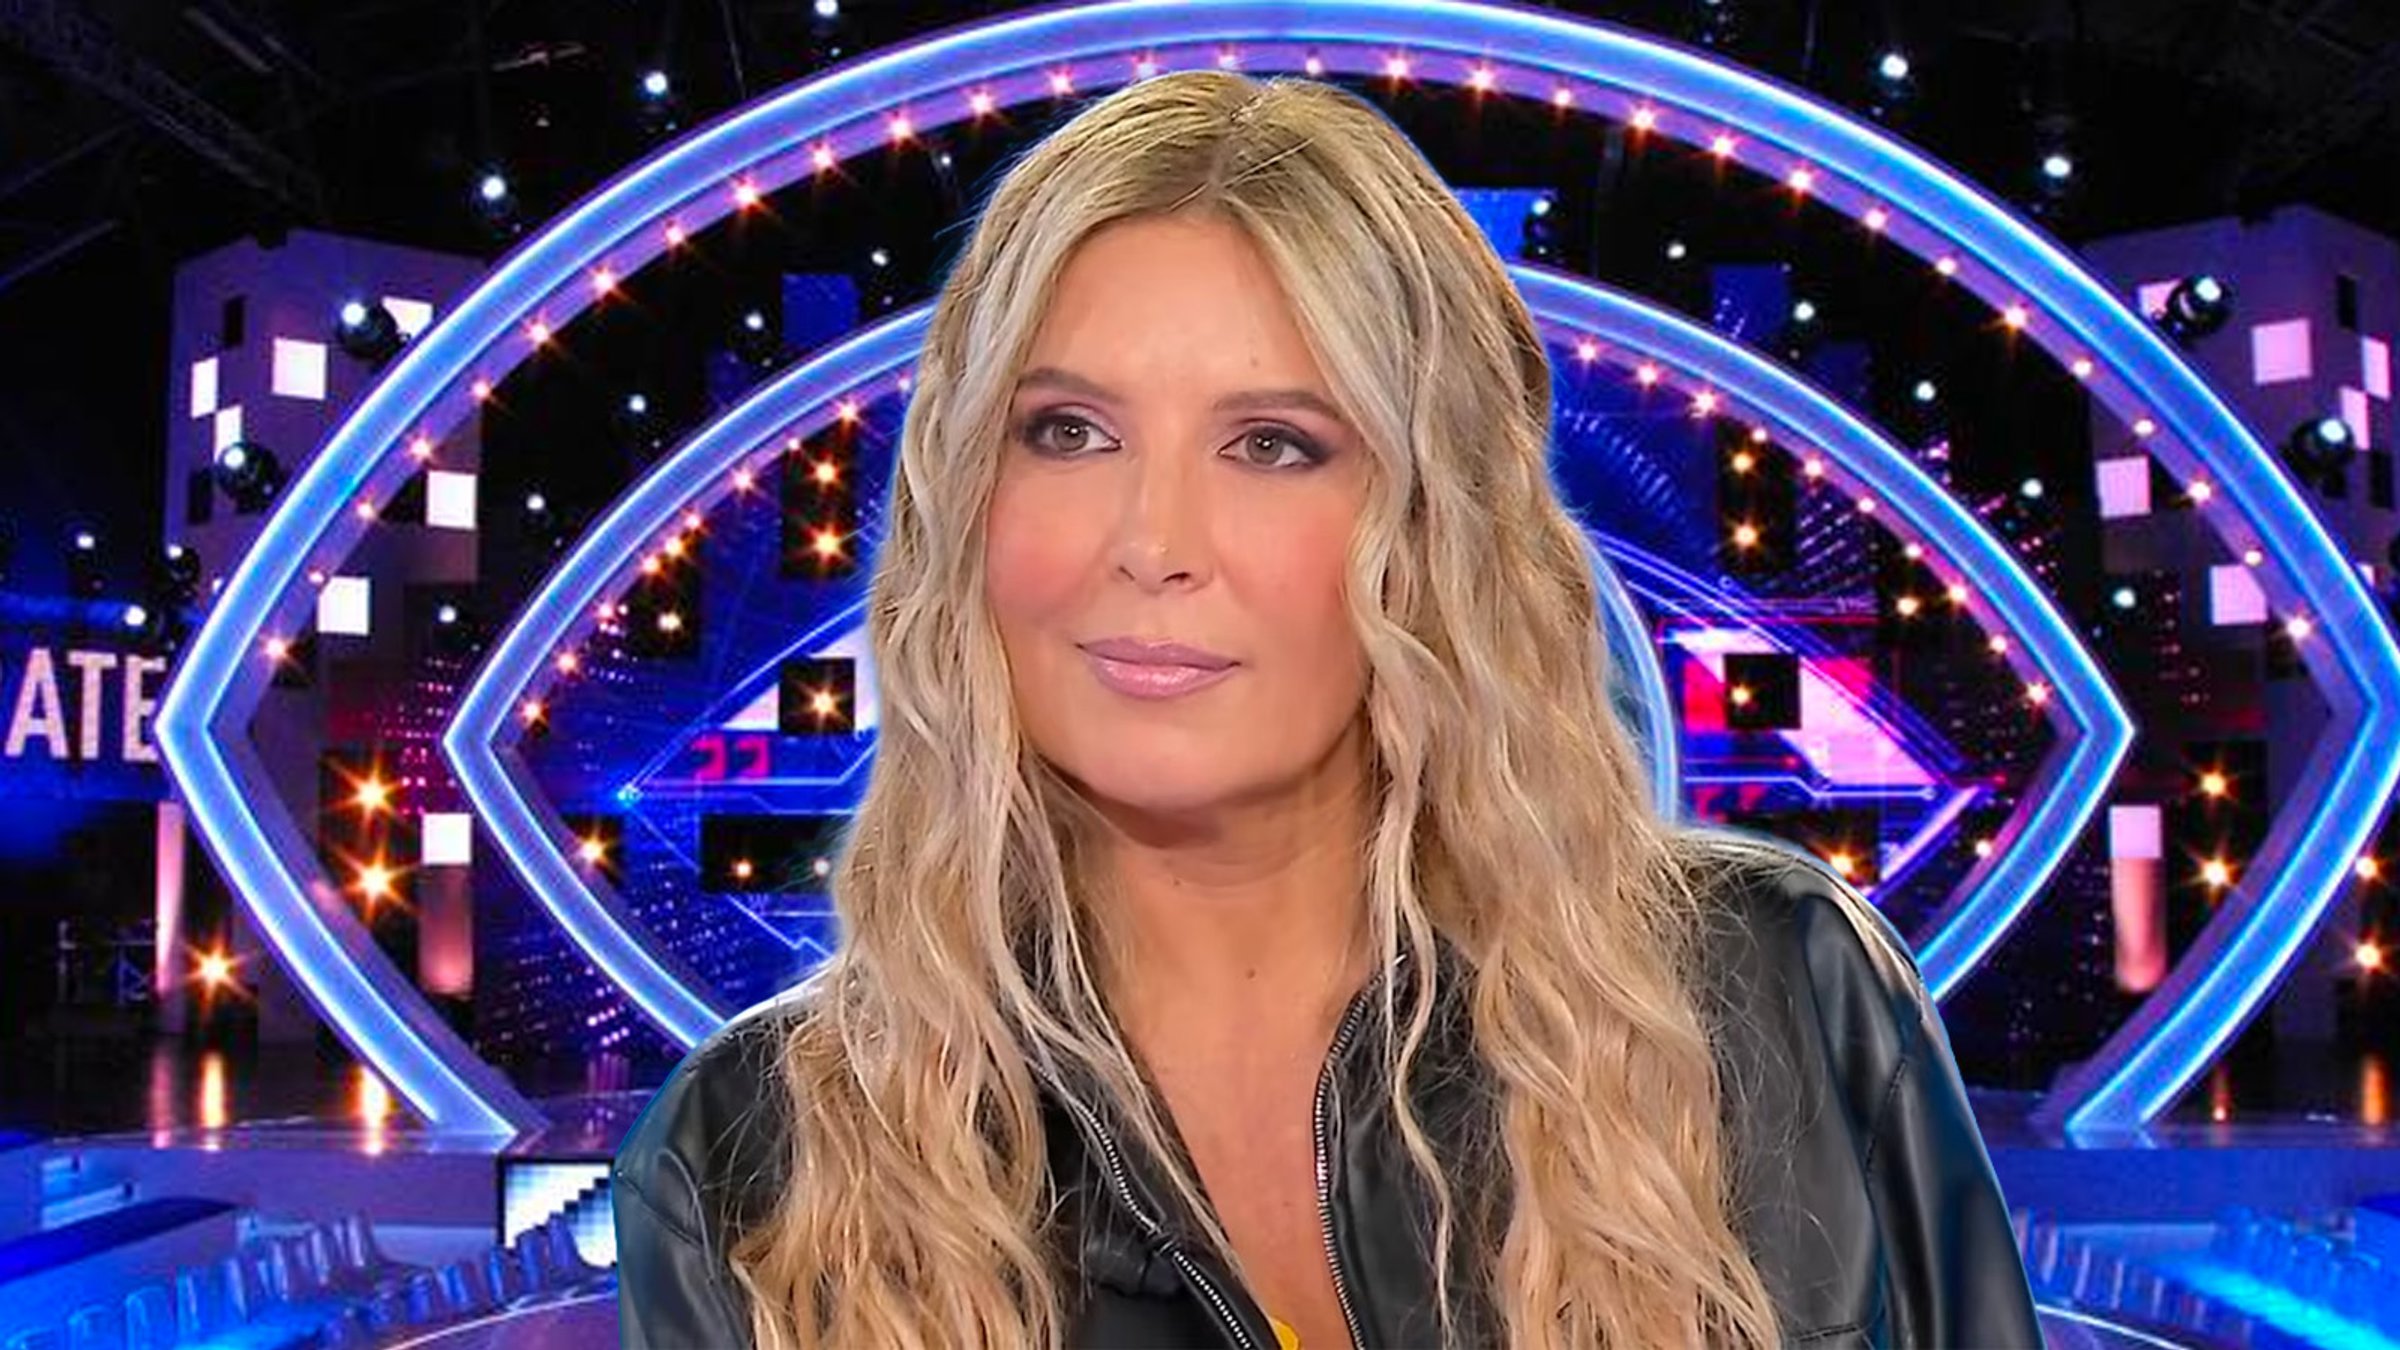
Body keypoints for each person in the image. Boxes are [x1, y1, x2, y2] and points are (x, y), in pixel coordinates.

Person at [612, 68, 2043, 1349]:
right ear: (967, 500)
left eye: (1273, 444)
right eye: (1069, 431)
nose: (1152, 540)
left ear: (1433, 527)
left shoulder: (1775, 997)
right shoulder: (750, 1162)